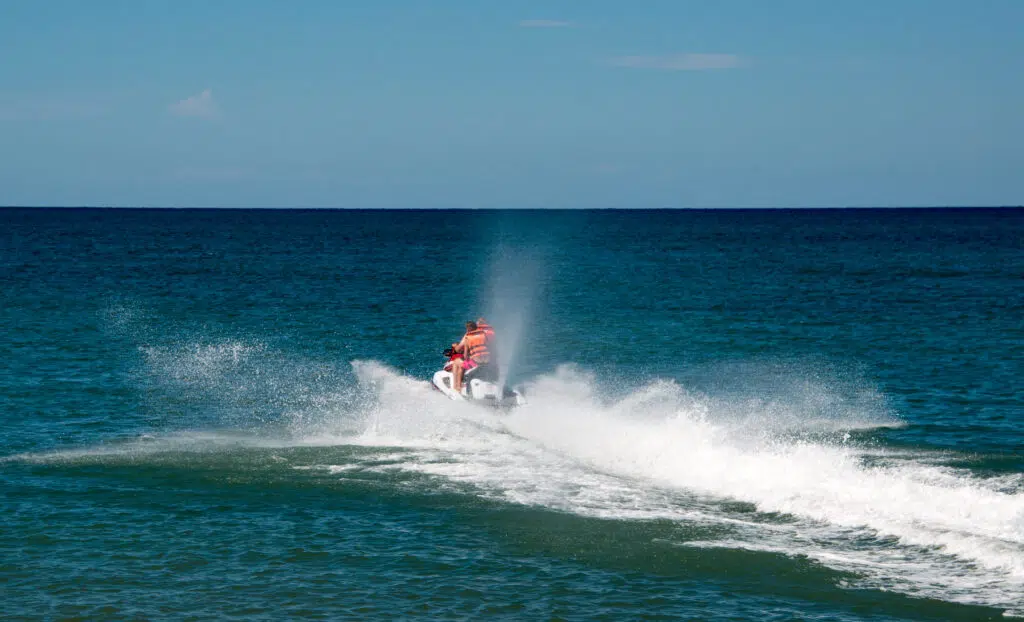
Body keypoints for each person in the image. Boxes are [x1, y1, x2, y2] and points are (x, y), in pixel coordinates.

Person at [451, 320, 490, 393]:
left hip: (477, 363)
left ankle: (457, 387)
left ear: (468, 329)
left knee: (459, 364)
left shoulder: (468, 337)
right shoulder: (484, 334)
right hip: (488, 361)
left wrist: (467, 356)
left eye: (466, 328)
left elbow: (465, 355)